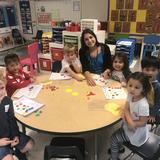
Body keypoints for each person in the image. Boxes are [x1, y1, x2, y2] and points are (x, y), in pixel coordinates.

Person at [109, 72, 151, 160]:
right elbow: (126, 107)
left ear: (143, 89)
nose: (132, 89)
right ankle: (119, 148)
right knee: (120, 131)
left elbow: (143, 122)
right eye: (130, 85)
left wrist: (129, 120)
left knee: (113, 138)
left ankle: (114, 158)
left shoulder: (143, 105)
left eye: (136, 87)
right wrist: (128, 118)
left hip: (136, 132)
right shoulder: (131, 94)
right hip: (129, 124)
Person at [0, 70, 34, 160]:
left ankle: (17, 151)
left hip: (9, 135)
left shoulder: (7, 100)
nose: (0, 93)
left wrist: (15, 135)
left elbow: (12, 120)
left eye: (1, 88)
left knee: (30, 144)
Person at [141, 56, 160, 124]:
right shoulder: (141, 82)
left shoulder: (157, 86)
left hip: (151, 110)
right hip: (140, 108)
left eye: (153, 70)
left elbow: (158, 102)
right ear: (142, 70)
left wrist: (152, 115)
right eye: (147, 69)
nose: (150, 73)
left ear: (158, 71)